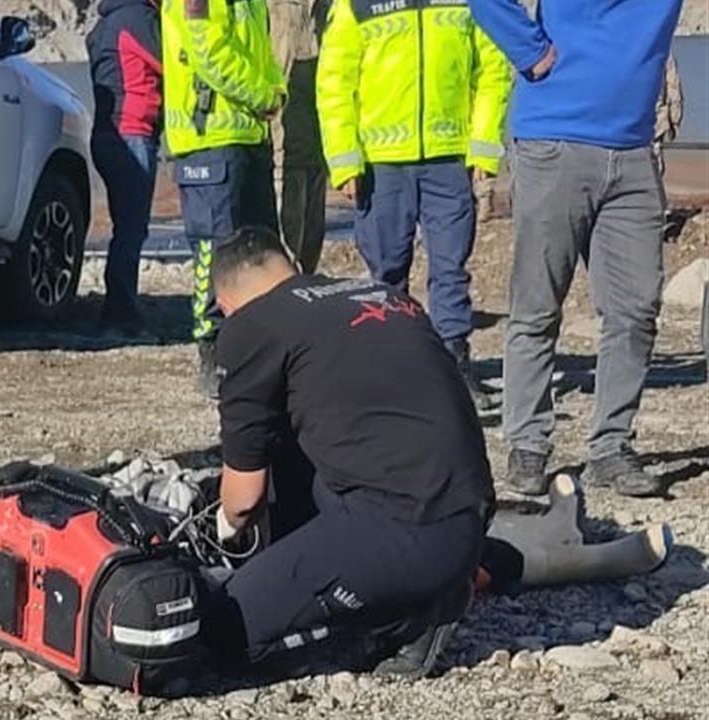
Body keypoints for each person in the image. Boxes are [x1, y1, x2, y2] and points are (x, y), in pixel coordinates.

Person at [205, 227, 494, 677]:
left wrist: (225, 537)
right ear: (295, 269)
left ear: (227, 305)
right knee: (297, 446)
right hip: (466, 512)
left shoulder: (250, 326)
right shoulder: (378, 292)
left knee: (222, 629)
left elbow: (242, 501)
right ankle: (440, 576)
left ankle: (410, 616)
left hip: (408, 531)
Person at [471, 0, 683, 498]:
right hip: (554, 140)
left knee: (636, 309)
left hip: (634, 150)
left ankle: (611, 447)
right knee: (538, 306)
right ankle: (527, 444)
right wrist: (528, 49)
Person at [316, 0, 511, 409]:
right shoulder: (356, 4)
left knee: (451, 268)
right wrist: (344, 159)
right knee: (386, 273)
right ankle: (391, 369)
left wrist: (483, 149)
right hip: (381, 166)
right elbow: (334, 82)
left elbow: (493, 69)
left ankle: (453, 368)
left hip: (448, 160)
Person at [161, 0, 285, 396]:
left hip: (247, 136)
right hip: (210, 139)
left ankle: (266, 349)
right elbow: (208, 48)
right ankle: (213, 351)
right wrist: (264, 95)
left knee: (260, 251)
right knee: (214, 251)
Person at [87, 0, 164, 336]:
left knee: (125, 228)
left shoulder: (105, 23)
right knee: (131, 230)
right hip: (132, 131)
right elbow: (170, 63)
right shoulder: (139, 18)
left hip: (106, 133)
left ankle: (119, 310)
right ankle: (120, 316)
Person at [268, 0, 330, 274]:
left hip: (319, 135)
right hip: (281, 134)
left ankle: (304, 293)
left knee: (312, 232)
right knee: (285, 233)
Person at [655, 53, 684, 236]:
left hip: (646, 121)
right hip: (653, 121)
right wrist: (675, 120)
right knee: (654, 169)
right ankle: (658, 216)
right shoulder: (663, 47)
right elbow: (674, 87)